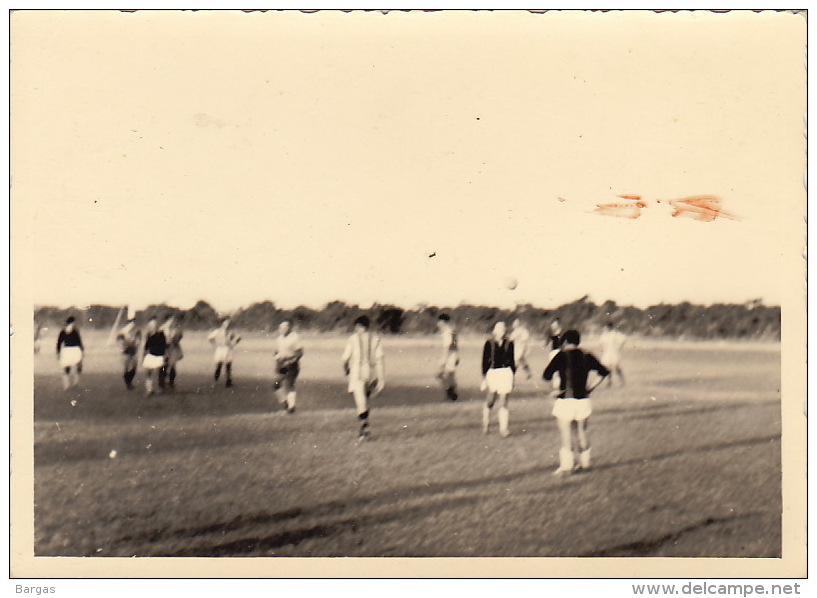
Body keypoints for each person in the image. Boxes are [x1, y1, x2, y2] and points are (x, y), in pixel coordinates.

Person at [542, 329, 610, 476]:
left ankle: (567, 467)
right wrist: (590, 388)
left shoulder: (561, 355)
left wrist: (554, 390)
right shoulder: (587, 355)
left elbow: (546, 375)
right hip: (583, 400)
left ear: (565, 342)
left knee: (566, 433)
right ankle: (585, 464)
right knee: (582, 432)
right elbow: (604, 372)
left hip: (566, 399)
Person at [342, 315, 385, 443]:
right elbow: (379, 359)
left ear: (359, 327)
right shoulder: (375, 338)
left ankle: (364, 428)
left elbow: (345, 358)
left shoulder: (353, 339)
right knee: (365, 401)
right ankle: (365, 426)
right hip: (371, 373)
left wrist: (346, 370)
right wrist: (381, 378)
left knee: (360, 402)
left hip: (357, 372)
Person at [481, 321, 516, 437]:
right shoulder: (489, 343)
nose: (501, 331)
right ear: (494, 331)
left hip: (506, 373)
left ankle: (503, 429)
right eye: (499, 329)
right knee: (490, 399)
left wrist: (512, 377)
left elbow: (512, 361)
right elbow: (484, 362)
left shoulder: (509, 343)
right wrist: (484, 378)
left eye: (503, 329)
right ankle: (486, 423)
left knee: (504, 401)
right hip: (493, 373)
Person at [273, 319, 304, 413]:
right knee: (276, 385)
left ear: (290, 327)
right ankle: (285, 403)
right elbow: (276, 351)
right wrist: (277, 357)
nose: (282, 329)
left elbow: (300, 352)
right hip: (281, 363)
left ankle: (291, 407)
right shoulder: (279, 338)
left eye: (285, 327)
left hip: (291, 364)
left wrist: (291, 361)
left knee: (290, 384)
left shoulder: (295, 337)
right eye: (281, 327)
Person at [208, 318, 241, 387]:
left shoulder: (230, 332)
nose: (227, 325)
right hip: (220, 349)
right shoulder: (217, 331)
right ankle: (215, 381)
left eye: (228, 324)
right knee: (219, 366)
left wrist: (234, 343)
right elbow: (209, 338)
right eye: (226, 323)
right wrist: (214, 345)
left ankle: (228, 382)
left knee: (228, 366)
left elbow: (239, 337)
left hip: (228, 349)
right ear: (223, 324)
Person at [56, 316, 84, 390]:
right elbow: (59, 342)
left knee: (74, 367)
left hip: (71, 350)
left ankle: (72, 384)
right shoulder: (69, 331)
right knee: (70, 367)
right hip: (71, 350)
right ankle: (70, 384)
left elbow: (59, 343)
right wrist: (58, 352)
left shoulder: (72, 331)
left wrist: (58, 352)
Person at [436, 313, 459, 401]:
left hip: (449, 356)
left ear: (443, 322)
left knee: (444, 376)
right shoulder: (452, 331)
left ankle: (451, 395)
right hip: (453, 355)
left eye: (439, 322)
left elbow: (448, 347)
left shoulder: (447, 332)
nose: (438, 324)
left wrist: (444, 359)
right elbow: (455, 345)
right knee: (449, 377)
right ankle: (452, 395)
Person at [142, 316, 167, 396]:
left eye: (154, 325)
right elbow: (146, 346)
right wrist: (143, 356)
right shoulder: (148, 335)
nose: (152, 327)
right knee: (148, 373)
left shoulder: (161, 334)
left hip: (159, 356)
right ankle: (149, 390)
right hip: (151, 355)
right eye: (151, 326)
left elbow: (164, 345)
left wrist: (164, 356)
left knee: (160, 373)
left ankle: (161, 388)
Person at [116, 318, 142, 390]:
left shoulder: (137, 331)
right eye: (131, 323)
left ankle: (129, 381)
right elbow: (119, 341)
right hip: (126, 352)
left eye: (133, 323)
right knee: (127, 367)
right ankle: (128, 383)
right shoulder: (123, 332)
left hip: (134, 351)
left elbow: (139, 340)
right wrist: (122, 346)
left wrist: (136, 343)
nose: (132, 325)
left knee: (134, 368)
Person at [598, 321, 627, 386]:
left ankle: (622, 382)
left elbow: (624, 339)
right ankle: (609, 382)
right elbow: (600, 343)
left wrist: (619, 347)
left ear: (609, 327)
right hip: (607, 352)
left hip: (613, 352)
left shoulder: (614, 334)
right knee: (607, 367)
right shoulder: (604, 335)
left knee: (616, 367)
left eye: (606, 327)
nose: (604, 328)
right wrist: (603, 349)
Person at [160, 314, 184, 390]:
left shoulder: (176, 329)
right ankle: (162, 384)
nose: (173, 322)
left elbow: (179, 337)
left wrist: (176, 338)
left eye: (174, 320)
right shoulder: (162, 329)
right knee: (163, 366)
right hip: (164, 349)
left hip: (173, 348)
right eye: (171, 320)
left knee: (173, 365)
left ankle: (171, 383)